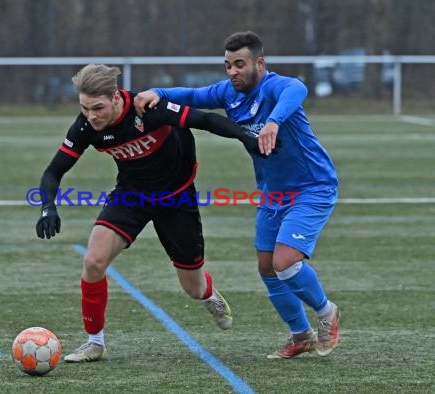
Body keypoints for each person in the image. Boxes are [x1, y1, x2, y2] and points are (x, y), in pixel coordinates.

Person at [134, 31, 340, 359]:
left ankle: (327, 312)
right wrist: (156, 92)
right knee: (267, 268)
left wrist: (273, 122)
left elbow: (297, 87)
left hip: (311, 187)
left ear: (260, 63)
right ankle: (301, 335)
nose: (232, 72)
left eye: (239, 64)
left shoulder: (273, 86)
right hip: (273, 193)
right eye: (228, 65)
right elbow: (191, 94)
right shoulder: (229, 94)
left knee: (285, 262)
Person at [36, 63, 259, 362]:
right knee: (93, 261)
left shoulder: (149, 109)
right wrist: (47, 206)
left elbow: (204, 120)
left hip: (176, 198)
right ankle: (95, 343)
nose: (91, 115)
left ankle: (209, 295)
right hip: (132, 195)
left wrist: (248, 137)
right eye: (85, 107)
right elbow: (53, 172)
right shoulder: (85, 126)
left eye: (97, 107)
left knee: (192, 287)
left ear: (115, 98)